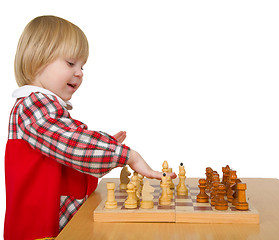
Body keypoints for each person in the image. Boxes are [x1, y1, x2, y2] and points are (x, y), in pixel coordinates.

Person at [4, 15, 176, 240]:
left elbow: (71, 150)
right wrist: (126, 156)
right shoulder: (33, 105)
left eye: (82, 66)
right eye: (70, 63)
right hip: (37, 233)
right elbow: (72, 145)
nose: (80, 73)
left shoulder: (45, 109)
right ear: (38, 58)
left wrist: (105, 145)